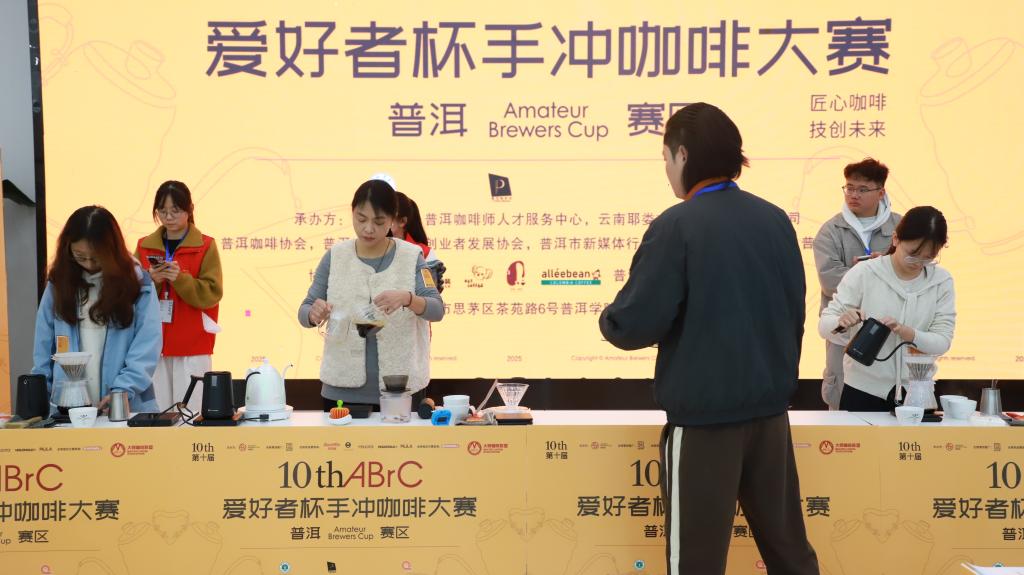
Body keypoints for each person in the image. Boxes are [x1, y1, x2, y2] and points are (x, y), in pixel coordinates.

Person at [599, 103, 818, 575]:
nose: (666, 171)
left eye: (665, 159)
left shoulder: (678, 225)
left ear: (683, 155)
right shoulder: (775, 219)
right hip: (770, 415)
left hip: (705, 423)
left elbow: (633, 324)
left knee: (695, 561)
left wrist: (609, 319)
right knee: (791, 553)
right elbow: (795, 311)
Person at [298, 179, 444, 411]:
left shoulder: (412, 256)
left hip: (400, 390)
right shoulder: (335, 257)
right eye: (361, 219)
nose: (368, 229)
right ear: (352, 213)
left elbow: (437, 309)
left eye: (378, 222)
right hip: (341, 388)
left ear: (393, 219)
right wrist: (313, 313)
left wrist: (408, 298)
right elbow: (305, 310)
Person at [818, 206, 955, 412]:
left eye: (929, 258)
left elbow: (942, 342)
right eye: (912, 254)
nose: (918, 263)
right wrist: (841, 322)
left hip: (917, 392)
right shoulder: (865, 272)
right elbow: (824, 326)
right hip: (862, 391)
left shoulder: (941, 281)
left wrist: (907, 333)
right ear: (896, 239)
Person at [32, 206, 161, 415]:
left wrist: (122, 391)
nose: (89, 264)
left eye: (96, 257)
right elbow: (43, 344)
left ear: (112, 250)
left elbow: (147, 344)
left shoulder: (137, 283)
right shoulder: (59, 283)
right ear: (67, 249)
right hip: (67, 407)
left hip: (124, 407)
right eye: (80, 256)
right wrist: (40, 394)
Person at [813, 158, 900, 409]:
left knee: (888, 399)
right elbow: (829, 279)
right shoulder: (831, 229)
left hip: (890, 328)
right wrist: (876, 272)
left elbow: (912, 271)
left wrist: (871, 272)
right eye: (849, 188)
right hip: (843, 329)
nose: (853, 194)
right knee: (840, 397)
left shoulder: (901, 226)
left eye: (862, 189)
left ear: (881, 192)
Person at [135, 181, 223, 412]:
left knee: (190, 415)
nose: (168, 217)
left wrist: (180, 279)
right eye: (162, 211)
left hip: (192, 343)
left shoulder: (205, 245)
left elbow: (212, 293)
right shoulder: (144, 246)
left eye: (175, 211)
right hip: (154, 345)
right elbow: (130, 295)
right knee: (157, 414)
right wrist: (151, 280)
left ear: (189, 209)